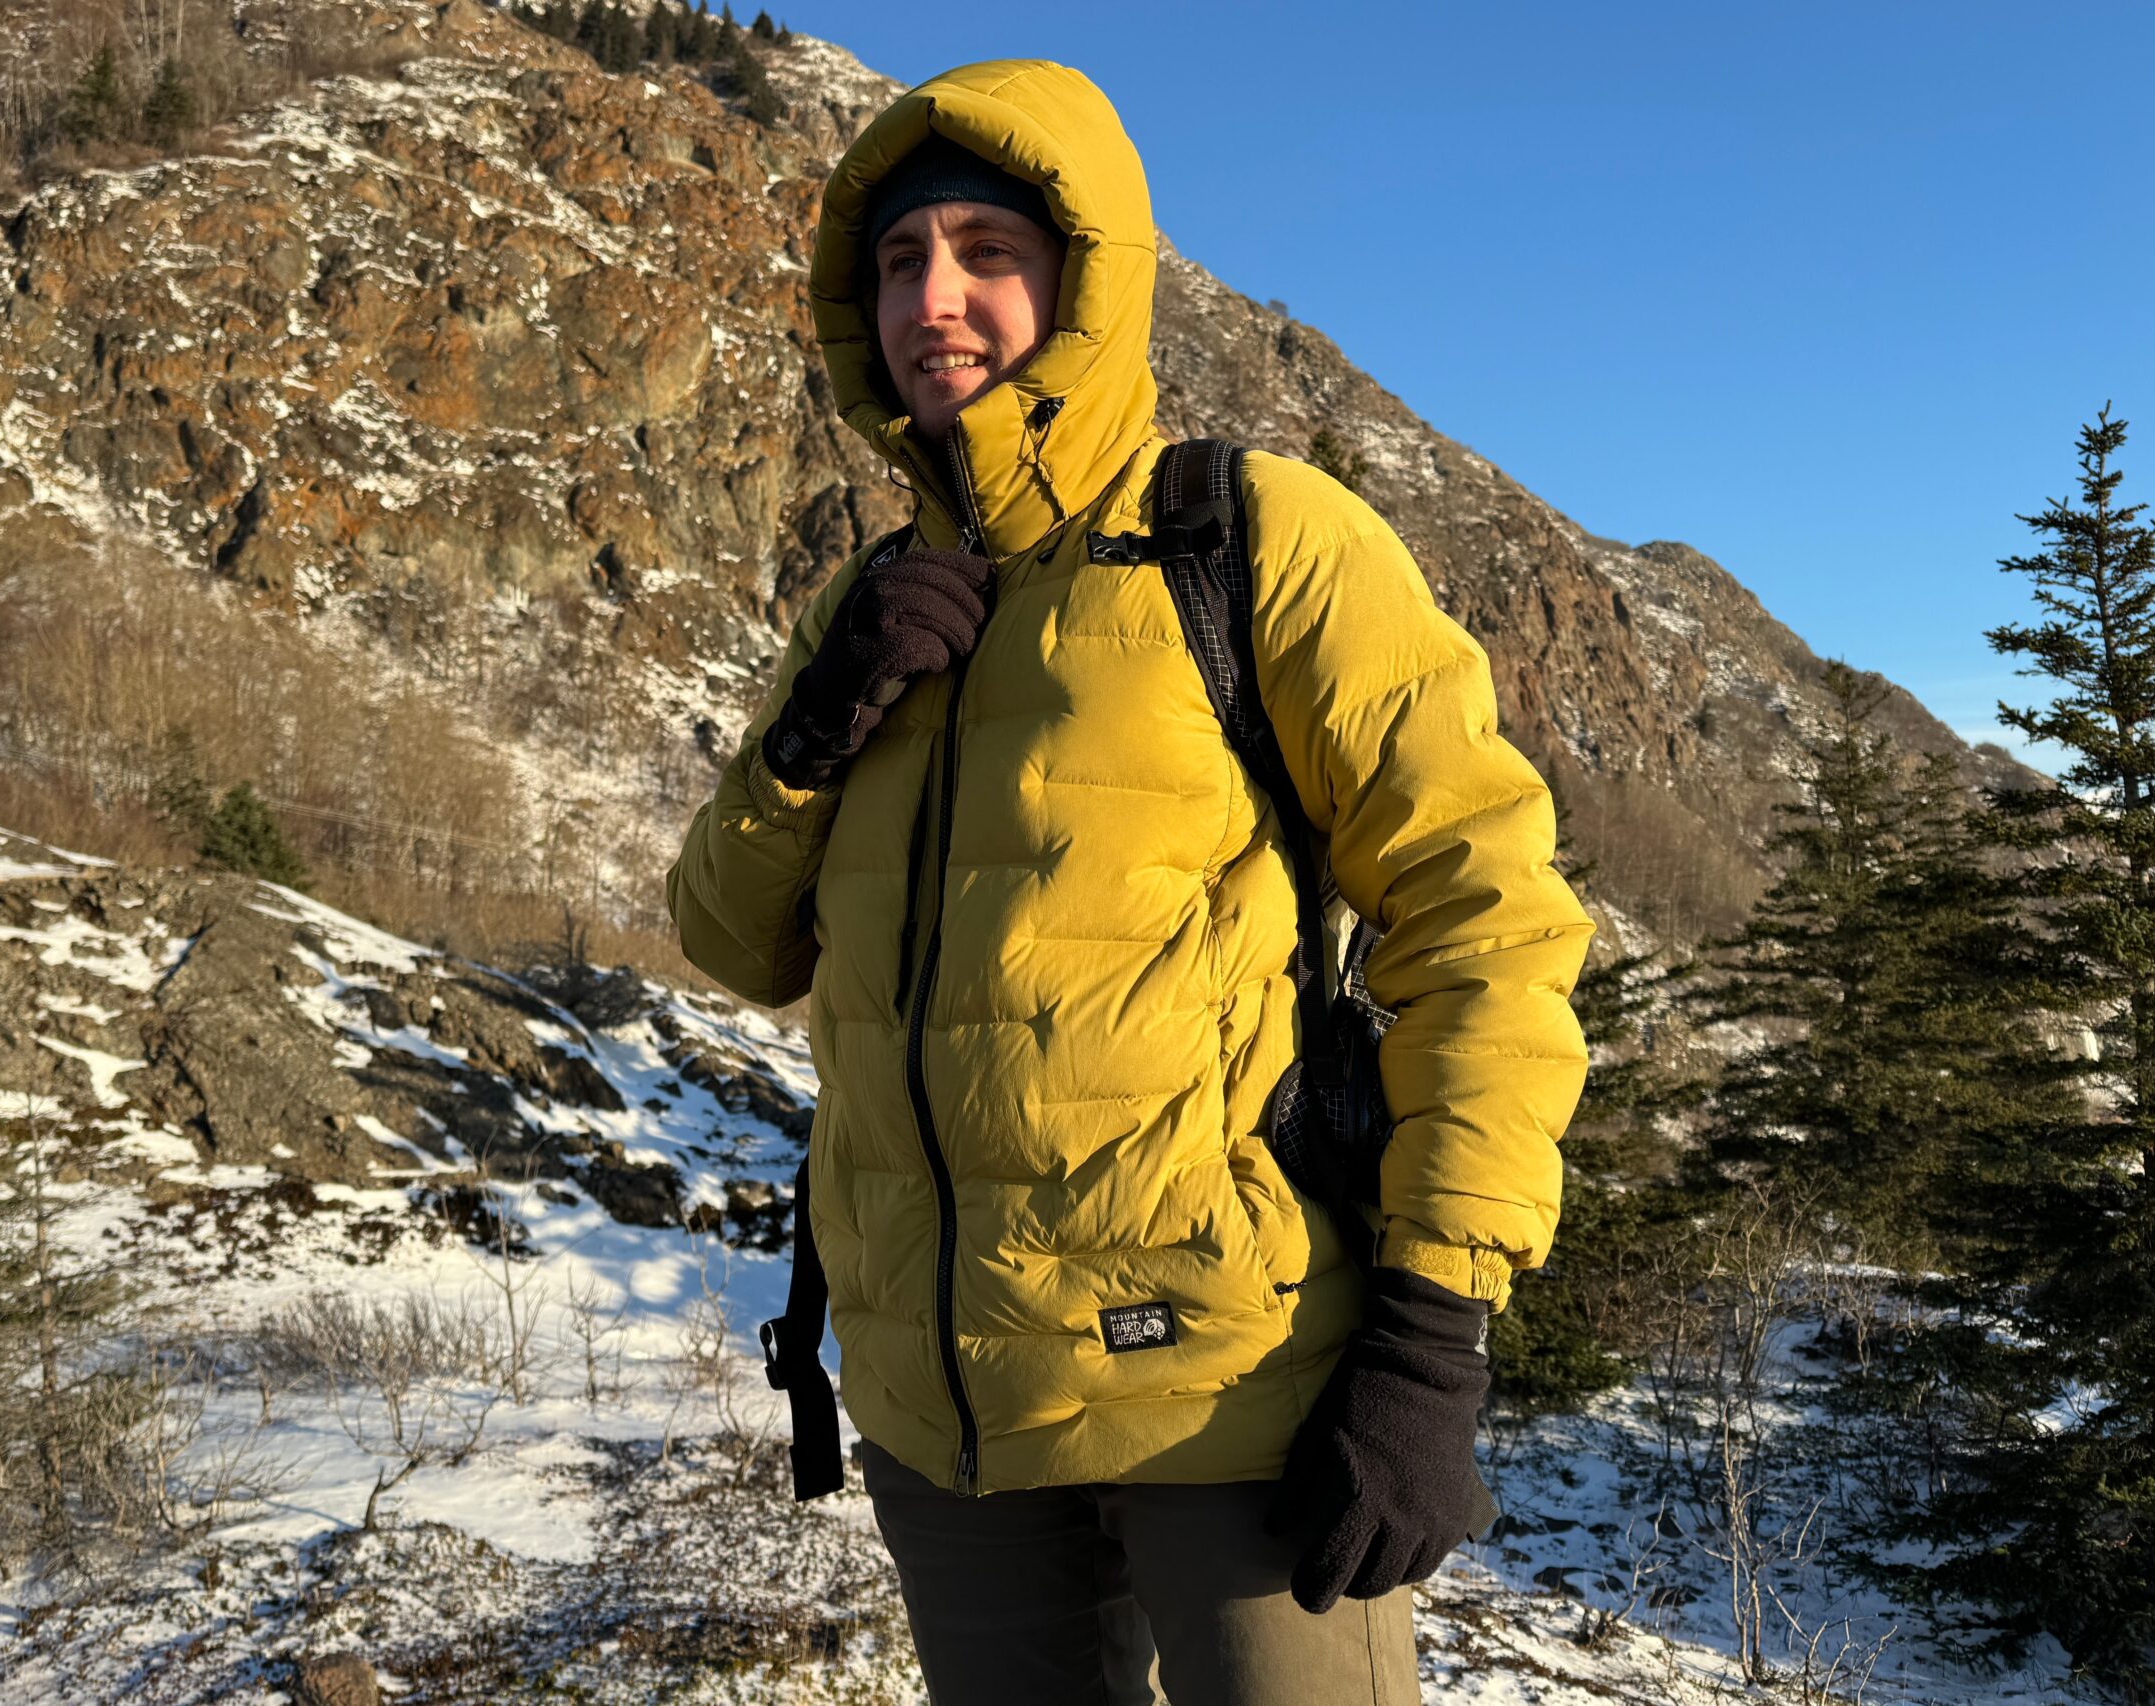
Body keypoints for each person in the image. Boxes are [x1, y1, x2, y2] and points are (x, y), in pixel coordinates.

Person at [666, 58, 1594, 1705]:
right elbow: (733, 942)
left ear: (1085, 277)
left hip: (1229, 1396)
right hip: (948, 1422)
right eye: (897, 262)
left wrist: (1433, 1345)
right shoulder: (872, 604)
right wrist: (812, 737)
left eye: (985, 252)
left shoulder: (1253, 541)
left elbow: (1488, 923)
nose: (934, 300)